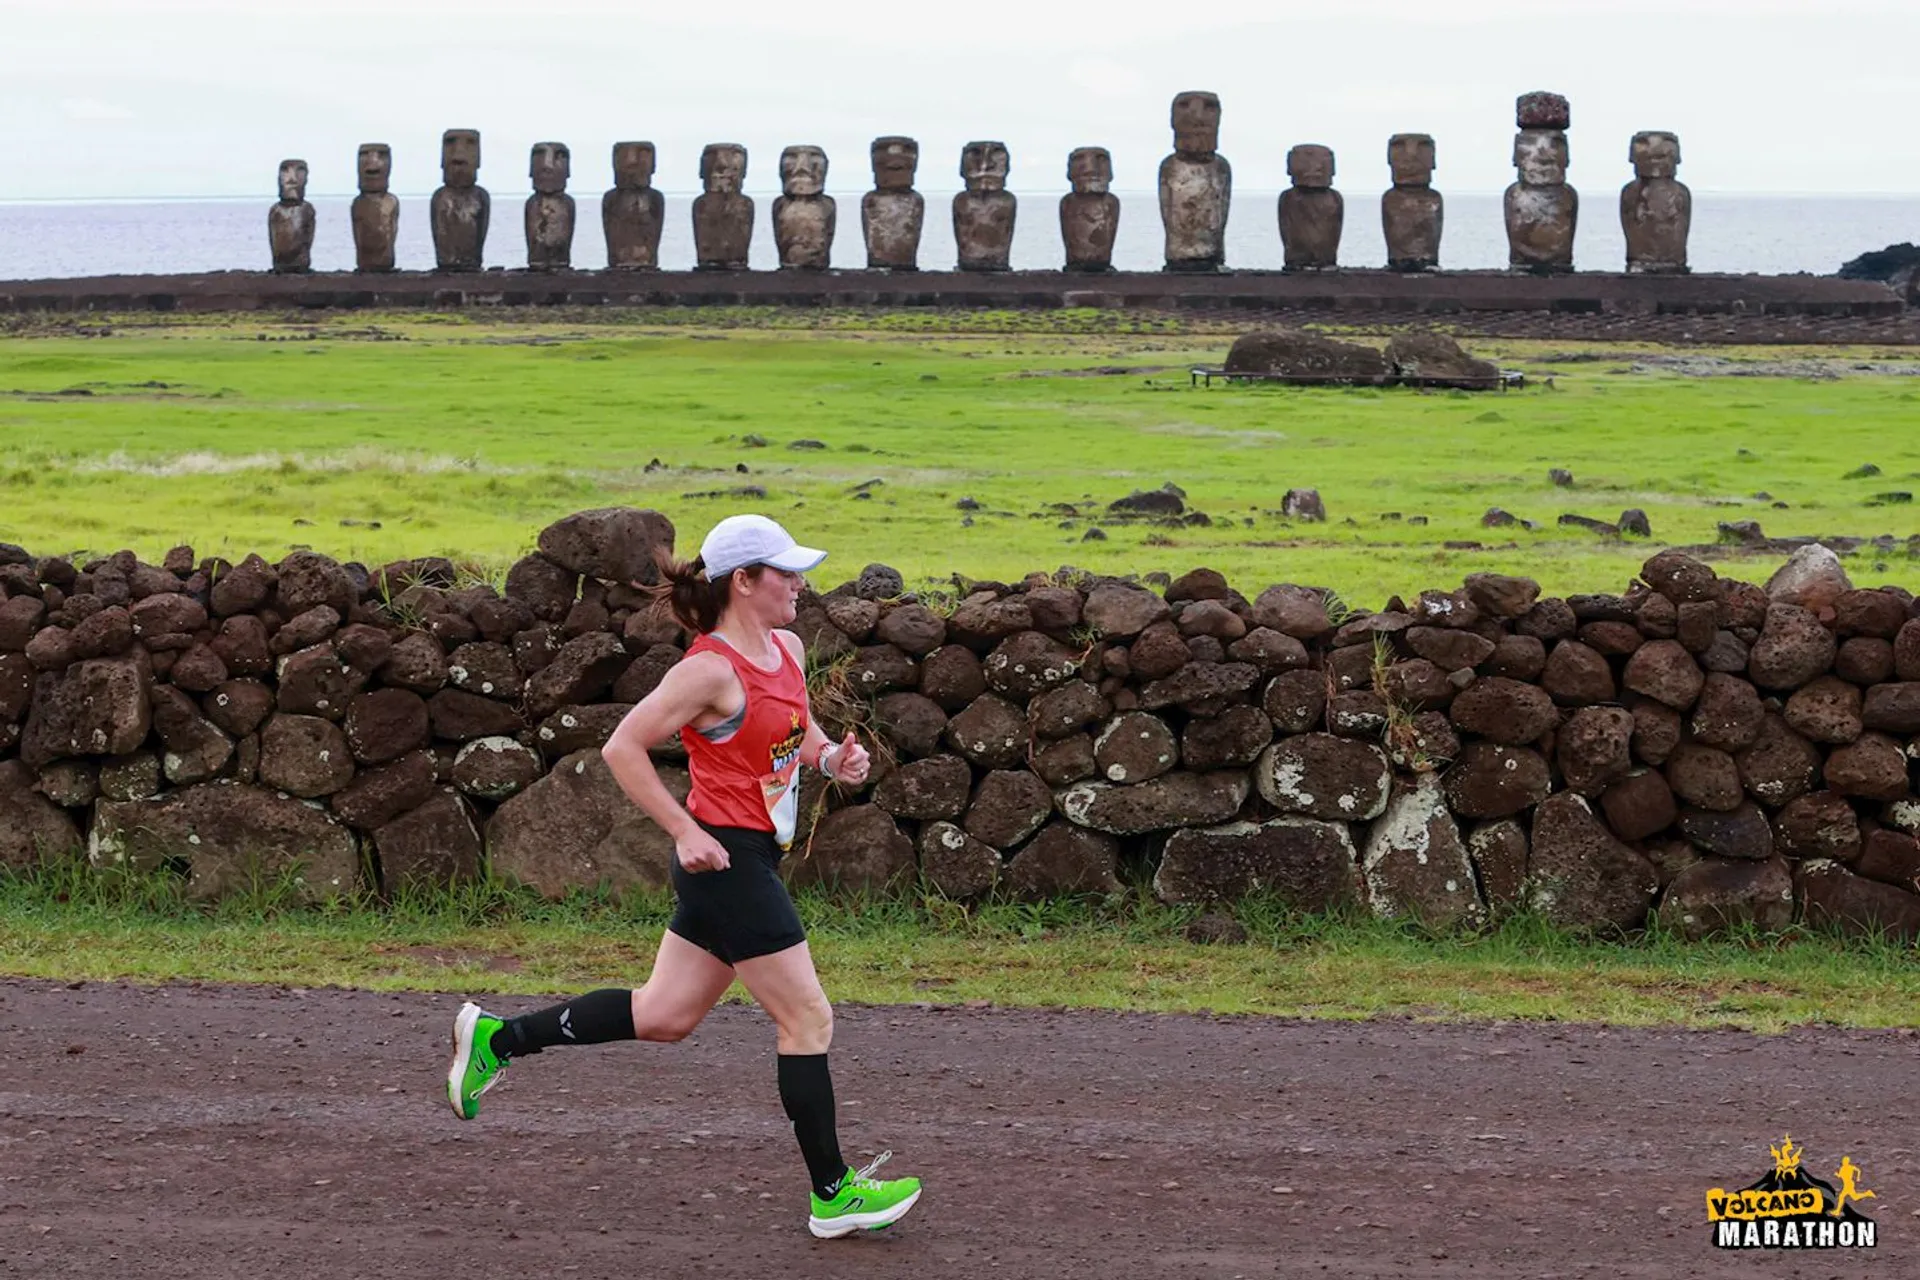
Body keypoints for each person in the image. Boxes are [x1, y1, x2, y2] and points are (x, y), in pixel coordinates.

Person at [444, 514, 923, 1239]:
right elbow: (622, 747)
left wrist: (831, 759)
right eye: (786, 572)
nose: (801, 583)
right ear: (745, 581)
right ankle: (833, 1195)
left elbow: (795, 731)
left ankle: (495, 1041)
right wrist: (684, 830)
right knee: (807, 1018)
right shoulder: (708, 671)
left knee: (664, 1016)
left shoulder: (787, 649)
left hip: (749, 858)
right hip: (723, 862)